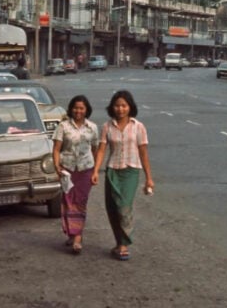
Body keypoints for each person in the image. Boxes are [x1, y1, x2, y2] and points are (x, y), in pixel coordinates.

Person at [92, 90, 154, 261]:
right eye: (117, 106)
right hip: (112, 170)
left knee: (123, 206)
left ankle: (125, 244)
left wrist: (149, 178)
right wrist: (96, 171)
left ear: (130, 107)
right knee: (112, 208)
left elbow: (143, 153)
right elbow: (102, 150)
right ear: (112, 108)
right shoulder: (107, 126)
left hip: (131, 171)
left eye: (124, 106)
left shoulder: (138, 127)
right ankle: (119, 243)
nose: (120, 109)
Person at [52, 95, 99, 254]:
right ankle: (72, 233)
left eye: (82, 108)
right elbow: (57, 149)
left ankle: (77, 236)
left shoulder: (92, 127)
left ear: (86, 110)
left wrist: (95, 171)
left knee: (80, 202)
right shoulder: (63, 127)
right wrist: (57, 167)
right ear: (71, 109)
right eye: (76, 108)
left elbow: (95, 150)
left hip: (85, 170)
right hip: (67, 170)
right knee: (68, 202)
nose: (78, 111)